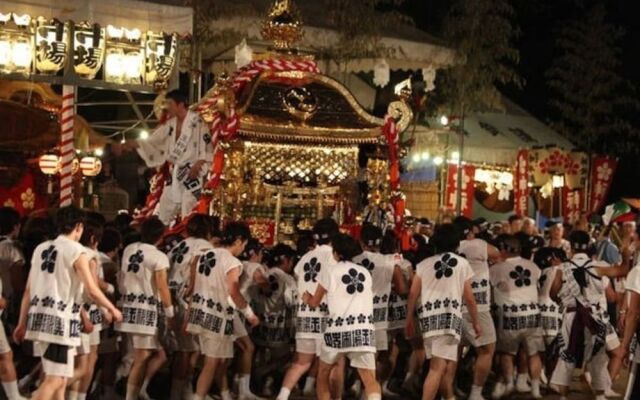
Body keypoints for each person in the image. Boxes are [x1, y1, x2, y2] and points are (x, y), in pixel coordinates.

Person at [14, 206, 122, 400]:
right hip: (60, 320)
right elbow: (92, 289)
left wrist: (22, 323)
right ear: (79, 227)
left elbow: (28, 290)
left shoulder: (41, 248)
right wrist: (112, 308)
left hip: (39, 317)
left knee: (61, 379)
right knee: (56, 380)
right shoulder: (77, 251)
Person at [549, 230, 630, 400]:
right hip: (596, 318)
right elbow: (623, 270)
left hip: (571, 318)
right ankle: (600, 396)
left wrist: (563, 301)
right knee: (598, 357)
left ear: (571, 246)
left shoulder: (562, 268)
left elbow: (553, 293)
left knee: (566, 357)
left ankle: (563, 397)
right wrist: (625, 252)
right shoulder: (598, 267)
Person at [302, 233, 381, 400]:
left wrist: (306, 297)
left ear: (335, 252)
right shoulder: (365, 273)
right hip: (363, 330)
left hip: (337, 330)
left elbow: (315, 302)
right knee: (369, 379)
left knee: (323, 375)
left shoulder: (330, 272)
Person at [115, 90, 213, 224]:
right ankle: (158, 237)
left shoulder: (197, 122)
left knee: (189, 213)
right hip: (175, 173)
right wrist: (132, 144)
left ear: (180, 105)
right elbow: (153, 141)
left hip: (192, 174)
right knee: (164, 211)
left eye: (170, 104)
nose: (168, 108)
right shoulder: (170, 125)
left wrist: (198, 164)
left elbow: (207, 147)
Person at [406, 223, 480, 400]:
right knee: (437, 368)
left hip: (428, 319)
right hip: (449, 319)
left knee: (443, 365)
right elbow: (469, 297)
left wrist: (408, 319)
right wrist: (476, 321)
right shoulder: (461, 264)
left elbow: (413, 293)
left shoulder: (424, 264)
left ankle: (449, 397)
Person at [186, 222, 257, 400]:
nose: (243, 249)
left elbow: (193, 285)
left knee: (216, 359)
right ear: (239, 241)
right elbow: (233, 291)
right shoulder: (231, 261)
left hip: (201, 311)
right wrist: (249, 314)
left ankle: (221, 394)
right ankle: (198, 396)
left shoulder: (205, 254)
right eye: (244, 245)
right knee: (212, 361)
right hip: (217, 315)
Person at [275, 218, 339, 400]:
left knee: (301, 363)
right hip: (326, 315)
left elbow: (296, 274)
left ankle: (282, 395)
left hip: (305, 316)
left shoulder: (305, 258)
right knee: (331, 365)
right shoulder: (334, 257)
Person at [116, 217, 174, 400]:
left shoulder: (129, 249)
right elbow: (162, 285)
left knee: (152, 354)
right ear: (161, 236)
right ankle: (129, 394)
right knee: (142, 356)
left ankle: (137, 390)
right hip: (146, 309)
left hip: (128, 306)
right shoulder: (158, 256)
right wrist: (170, 311)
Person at [353, 223, 406, 395]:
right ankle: (368, 392)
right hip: (378, 316)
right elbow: (402, 288)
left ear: (361, 241)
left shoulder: (353, 260)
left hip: (355, 314)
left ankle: (358, 385)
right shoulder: (389, 262)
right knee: (376, 357)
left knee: (357, 356)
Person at [489, 236, 544, 399]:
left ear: (503, 249)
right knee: (533, 353)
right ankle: (535, 390)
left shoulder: (496, 269)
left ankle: (510, 383)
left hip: (510, 315)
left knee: (507, 353)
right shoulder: (533, 266)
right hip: (533, 314)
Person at [166, 214, 214, 400]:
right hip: (187, 300)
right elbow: (196, 265)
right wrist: (193, 290)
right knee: (186, 350)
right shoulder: (203, 246)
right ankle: (177, 392)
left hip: (173, 296)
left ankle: (185, 387)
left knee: (190, 348)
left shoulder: (180, 244)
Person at [454, 217, 500, 400]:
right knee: (486, 350)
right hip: (477, 307)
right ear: (470, 230)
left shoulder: (452, 246)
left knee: (452, 352)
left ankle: (448, 390)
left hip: (455, 306)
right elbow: (496, 253)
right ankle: (476, 392)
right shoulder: (478, 244)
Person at [0, 207, 25, 400]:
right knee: (6, 353)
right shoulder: (11, 248)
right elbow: (17, 282)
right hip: (6, 302)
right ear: (15, 226)